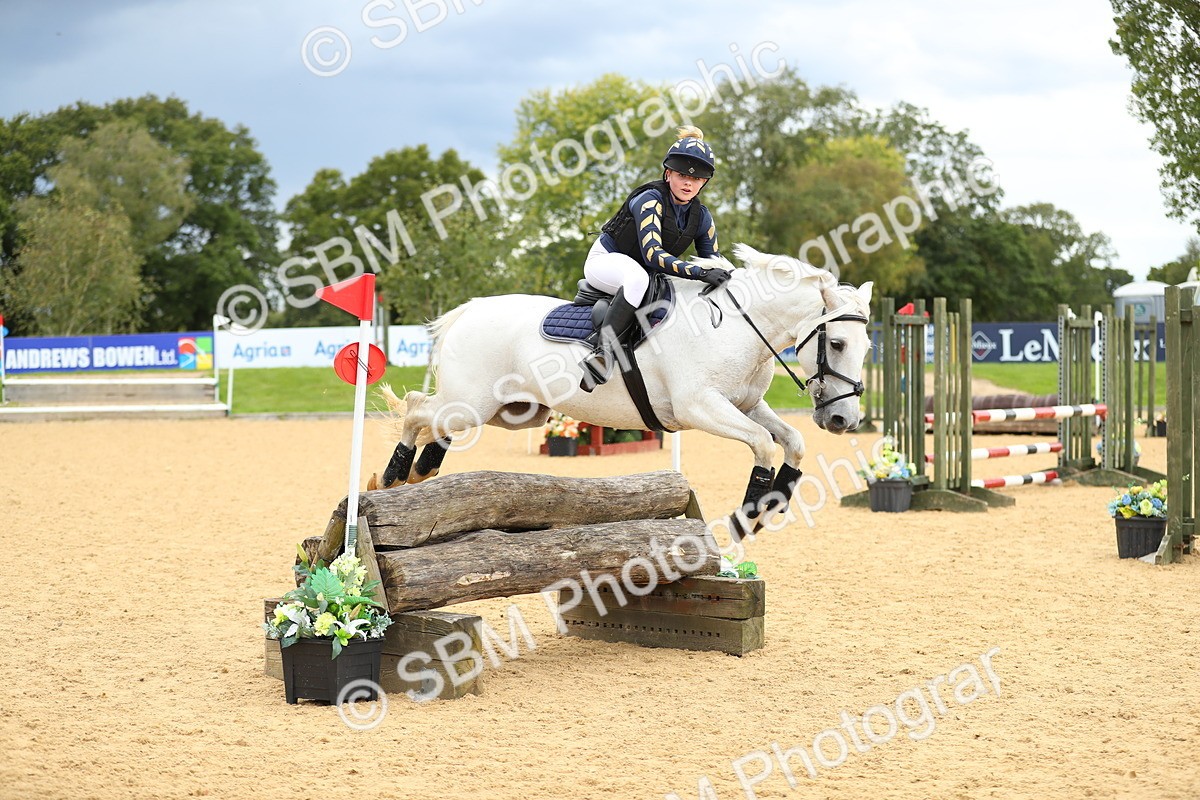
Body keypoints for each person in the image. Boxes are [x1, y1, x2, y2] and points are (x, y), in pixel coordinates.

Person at [578, 126, 732, 390]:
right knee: (638, 278)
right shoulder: (649, 200)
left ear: (704, 182)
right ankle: (601, 354)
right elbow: (653, 255)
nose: (688, 183)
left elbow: (714, 263)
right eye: (682, 174)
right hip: (607, 261)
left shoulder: (702, 216)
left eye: (696, 179)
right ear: (668, 173)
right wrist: (700, 273)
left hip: (649, 272)